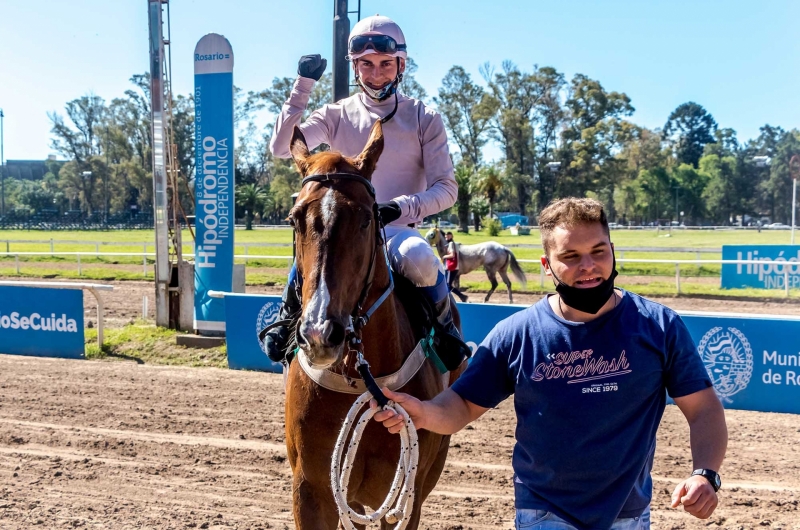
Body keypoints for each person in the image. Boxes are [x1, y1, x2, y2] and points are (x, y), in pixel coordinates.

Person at [374, 197, 728, 530]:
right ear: (547, 265)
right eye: (570, 256)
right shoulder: (517, 334)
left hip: (628, 514)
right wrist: (421, 412)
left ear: (613, 252)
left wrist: (705, 474)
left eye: (598, 251)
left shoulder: (659, 326)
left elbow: (704, 410)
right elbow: (462, 405)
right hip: (543, 512)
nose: (587, 265)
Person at [263, 15, 470, 369]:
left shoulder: (425, 117)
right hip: (343, 228)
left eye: (385, 64)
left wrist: (399, 208)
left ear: (401, 65)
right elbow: (283, 148)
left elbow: (446, 189)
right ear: (355, 67)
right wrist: (302, 86)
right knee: (310, 257)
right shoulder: (336, 113)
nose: (376, 74)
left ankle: (447, 331)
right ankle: (287, 319)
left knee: (420, 259)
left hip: (397, 231)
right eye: (366, 65)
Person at [442, 231, 468, 302]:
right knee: (448, 285)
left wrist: (444, 256)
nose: (446, 237)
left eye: (448, 236)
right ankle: (461, 296)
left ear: (451, 236)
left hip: (450, 268)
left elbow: (452, 255)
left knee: (447, 285)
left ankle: (460, 296)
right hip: (455, 267)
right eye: (446, 236)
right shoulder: (454, 244)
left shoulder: (450, 244)